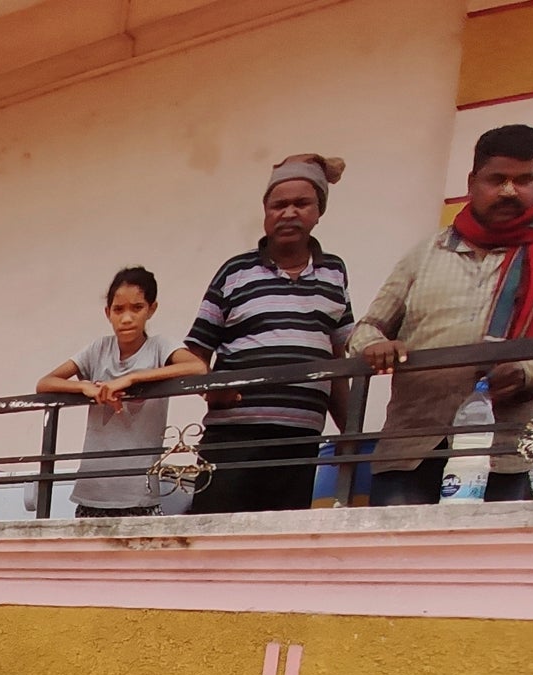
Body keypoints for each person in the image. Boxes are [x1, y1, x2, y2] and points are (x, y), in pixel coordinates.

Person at [350, 124, 533, 505]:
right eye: (496, 179)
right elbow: (367, 328)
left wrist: (530, 369)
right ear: (472, 182)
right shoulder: (428, 252)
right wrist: (375, 347)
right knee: (398, 562)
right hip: (411, 445)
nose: (508, 191)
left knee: (486, 563)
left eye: (523, 180)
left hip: (503, 450)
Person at [181, 154, 355, 514]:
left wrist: (351, 433)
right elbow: (195, 354)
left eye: (301, 203)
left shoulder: (334, 272)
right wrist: (211, 388)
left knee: (278, 548)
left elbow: (338, 359)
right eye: (279, 205)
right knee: (216, 541)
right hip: (233, 438)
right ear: (266, 212)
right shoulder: (235, 272)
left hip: (301, 439)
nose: (289, 212)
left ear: (318, 211)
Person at [35, 266, 208, 516]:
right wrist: (85, 386)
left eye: (136, 308)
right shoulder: (99, 349)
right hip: (93, 492)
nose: (126, 318)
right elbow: (45, 383)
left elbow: (197, 367)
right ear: (108, 313)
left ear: (151, 309)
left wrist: (132, 378)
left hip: (139, 495)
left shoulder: (159, 347)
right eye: (118, 310)